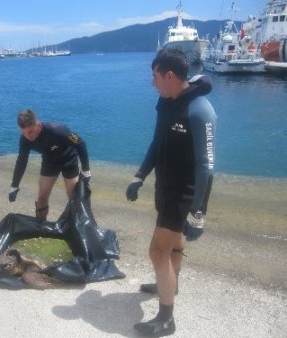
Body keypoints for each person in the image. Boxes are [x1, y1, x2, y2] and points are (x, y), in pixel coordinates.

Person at [126, 48, 217, 337]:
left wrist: (198, 212)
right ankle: (170, 283)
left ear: (169, 75)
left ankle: (166, 318)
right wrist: (140, 175)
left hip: (185, 195)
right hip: (165, 188)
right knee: (173, 245)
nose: (152, 82)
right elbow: (157, 142)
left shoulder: (200, 110)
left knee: (157, 251)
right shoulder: (165, 102)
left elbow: (207, 167)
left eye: (154, 76)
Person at [9, 108, 91, 221]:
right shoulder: (25, 140)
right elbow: (22, 161)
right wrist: (14, 185)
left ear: (38, 124)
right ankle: (40, 224)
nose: (28, 136)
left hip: (69, 160)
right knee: (42, 195)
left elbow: (80, 143)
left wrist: (86, 170)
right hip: (50, 162)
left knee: (74, 197)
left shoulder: (58, 130)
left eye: (30, 132)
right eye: (24, 133)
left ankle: (78, 226)